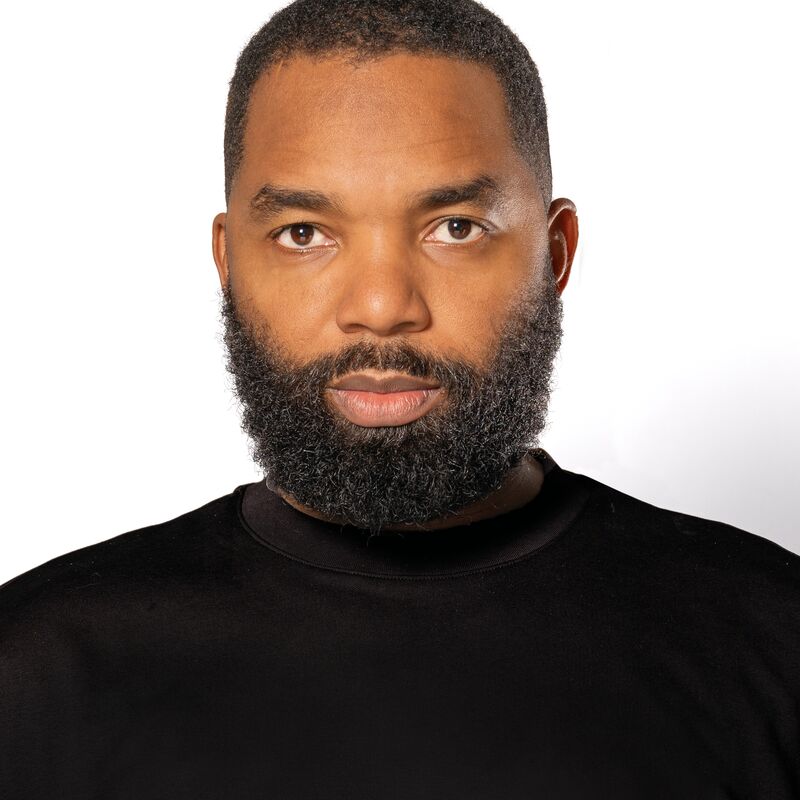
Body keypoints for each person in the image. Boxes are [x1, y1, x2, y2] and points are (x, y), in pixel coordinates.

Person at [1, 1, 797, 797]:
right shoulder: (30, 667)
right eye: (304, 232)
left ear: (554, 254)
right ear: (229, 261)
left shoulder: (774, 638)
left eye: (454, 227)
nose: (381, 307)